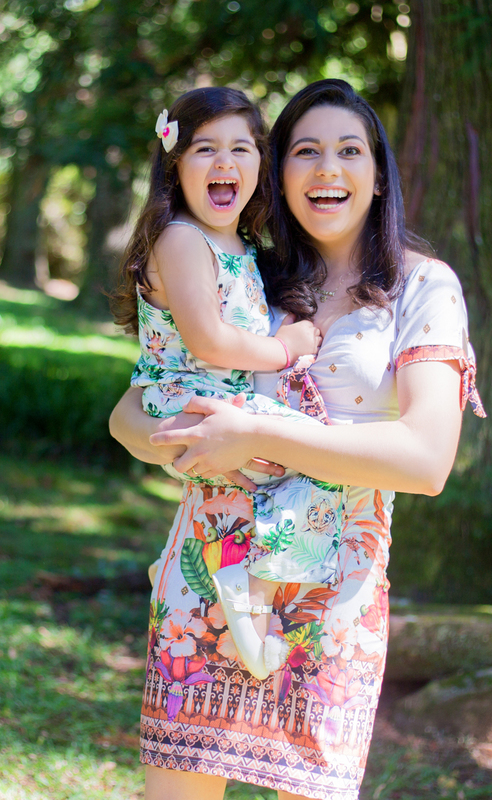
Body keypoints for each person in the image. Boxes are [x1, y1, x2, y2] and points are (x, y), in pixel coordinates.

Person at [110, 79, 485, 800]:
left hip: (332, 601)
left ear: (379, 176)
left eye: (349, 151)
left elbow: (427, 459)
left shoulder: (424, 288)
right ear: (278, 173)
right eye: (305, 152)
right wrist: (176, 440)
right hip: (209, 576)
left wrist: (256, 432)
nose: (327, 170)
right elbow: (131, 407)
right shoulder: (256, 274)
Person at [113, 86, 355, 681]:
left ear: (259, 167)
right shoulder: (180, 237)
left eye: (241, 149)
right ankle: (251, 599)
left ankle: (197, 567)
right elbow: (210, 341)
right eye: (205, 149)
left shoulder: (238, 244)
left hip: (212, 400)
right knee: (321, 458)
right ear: (175, 163)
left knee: (280, 480)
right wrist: (284, 349)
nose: (225, 163)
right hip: (191, 398)